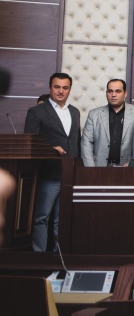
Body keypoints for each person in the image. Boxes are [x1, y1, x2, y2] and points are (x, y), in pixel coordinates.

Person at [24, 72, 80, 251]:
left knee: (61, 219)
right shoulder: (37, 111)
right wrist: (50, 149)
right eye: (57, 87)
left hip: (69, 173)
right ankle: (39, 255)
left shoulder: (74, 111)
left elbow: (75, 141)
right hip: (48, 173)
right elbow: (29, 141)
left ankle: (58, 256)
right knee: (42, 217)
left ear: (70, 90)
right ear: (50, 88)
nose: (61, 91)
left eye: (65, 87)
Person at [80, 79, 134, 166]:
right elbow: (86, 142)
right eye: (110, 91)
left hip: (128, 168)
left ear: (125, 94)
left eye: (118, 91)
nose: (113, 95)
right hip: (99, 168)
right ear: (106, 93)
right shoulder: (94, 114)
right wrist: (90, 169)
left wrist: (133, 164)